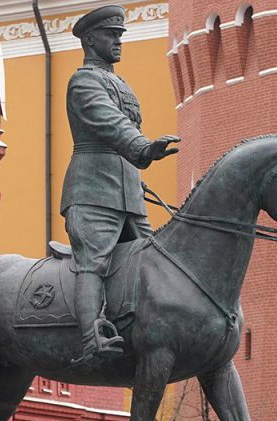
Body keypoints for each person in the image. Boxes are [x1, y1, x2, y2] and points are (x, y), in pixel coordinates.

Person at [61, 4, 179, 365]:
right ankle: (90, 338)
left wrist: (137, 171)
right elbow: (111, 123)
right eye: (111, 35)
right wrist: (143, 146)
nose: (118, 42)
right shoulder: (84, 81)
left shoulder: (120, 83)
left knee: (155, 262)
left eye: (120, 35)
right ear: (89, 39)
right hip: (93, 190)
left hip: (128, 191)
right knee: (93, 262)